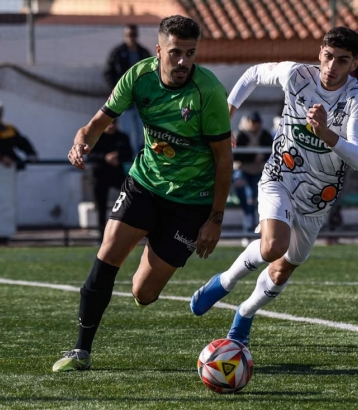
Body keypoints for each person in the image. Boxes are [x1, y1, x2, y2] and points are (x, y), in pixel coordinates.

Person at [53, 15, 232, 372]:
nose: (182, 62)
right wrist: (82, 141)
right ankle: (80, 351)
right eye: (175, 52)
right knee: (108, 252)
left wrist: (215, 220)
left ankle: (156, 242)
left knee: (143, 294)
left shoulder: (208, 92)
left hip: (190, 202)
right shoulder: (139, 76)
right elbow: (99, 122)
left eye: (190, 53)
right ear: (158, 51)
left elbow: (224, 159)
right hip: (145, 184)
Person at [190, 27, 358, 346]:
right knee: (274, 244)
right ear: (320, 53)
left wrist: (326, 132)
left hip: (318, 200)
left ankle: (244, 315)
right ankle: (224, 282)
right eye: (328, 57)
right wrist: (228, 114)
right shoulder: (296, 75)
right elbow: (252, 74)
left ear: (354, 64)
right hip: (280, 177)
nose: (332, 67)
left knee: (281, 272)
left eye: (342, 61)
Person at [103, 24, 152, 153]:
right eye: (129, 35)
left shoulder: (143, 52)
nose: (131, 38)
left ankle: (139, 157)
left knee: (142, 131)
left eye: (134, 35)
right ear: (125, 36)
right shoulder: (117, 53)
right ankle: (127, 156)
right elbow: (108, 72)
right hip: (125, 99)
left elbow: (153, 73)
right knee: (126, 130)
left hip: (141, 99)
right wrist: (118, 89)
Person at [87, 118, 133, 240]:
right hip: (99, 176)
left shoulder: (122, 137)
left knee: (130, 200)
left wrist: (117, 157)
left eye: (113, 123)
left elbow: (129, 153)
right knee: (101, 207)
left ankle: (128, 232)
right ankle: (101, 236)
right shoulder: (97, 137)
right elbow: (90, 155)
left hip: (117, 175)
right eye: (109, 124)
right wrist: (105, 157)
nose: (111, 126)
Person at [233, 111, 273, 232]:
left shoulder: (265, 134)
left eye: (256, 122)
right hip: (243, 169)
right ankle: (248, 216)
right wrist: (253, 157)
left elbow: (271, 151)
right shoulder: (240, 134)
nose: (254, 125)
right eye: (252, 122)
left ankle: (251, 220)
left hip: (259, 170)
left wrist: (261, 158)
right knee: (240, 185)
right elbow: (236, 154)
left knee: (253, 195)